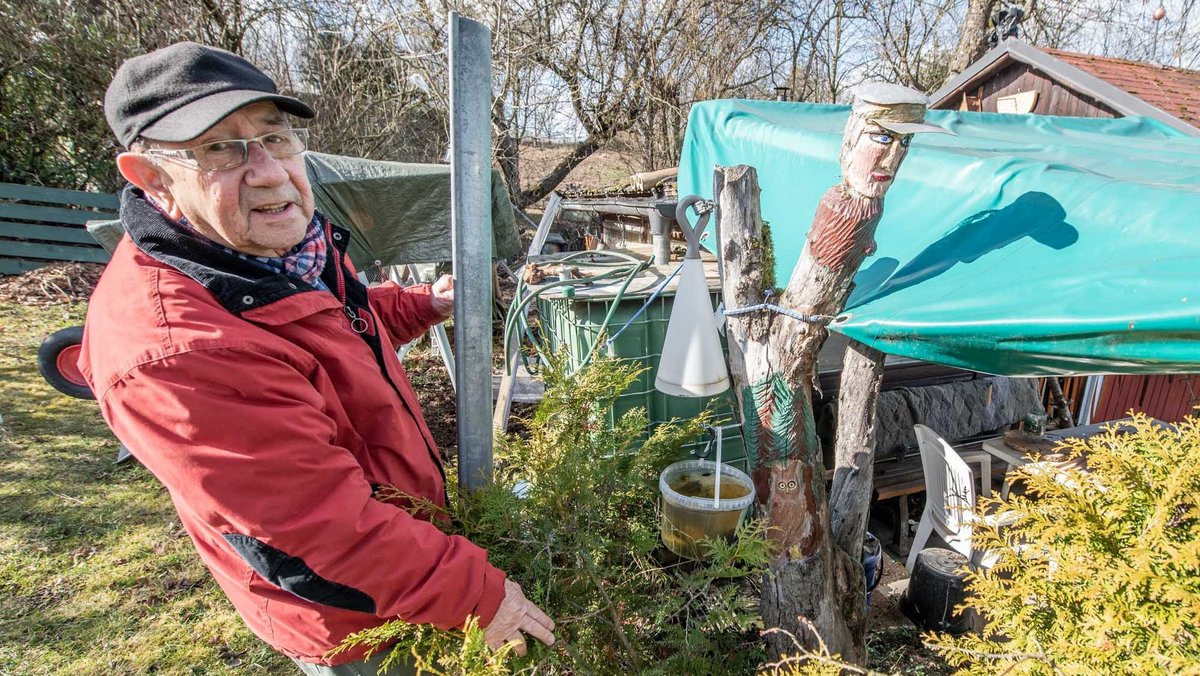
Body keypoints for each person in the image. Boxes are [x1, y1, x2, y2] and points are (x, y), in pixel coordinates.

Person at [80, 41, 555, 674]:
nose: (270, 172)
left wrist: (420, 305)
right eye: (220, 149)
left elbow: (338, 327)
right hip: (358, 610)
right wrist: (474, 593)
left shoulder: (279, 251)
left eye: (275, 138)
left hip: (409, 563)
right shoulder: (175, 350)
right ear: (152, 178)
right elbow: (320, 527)